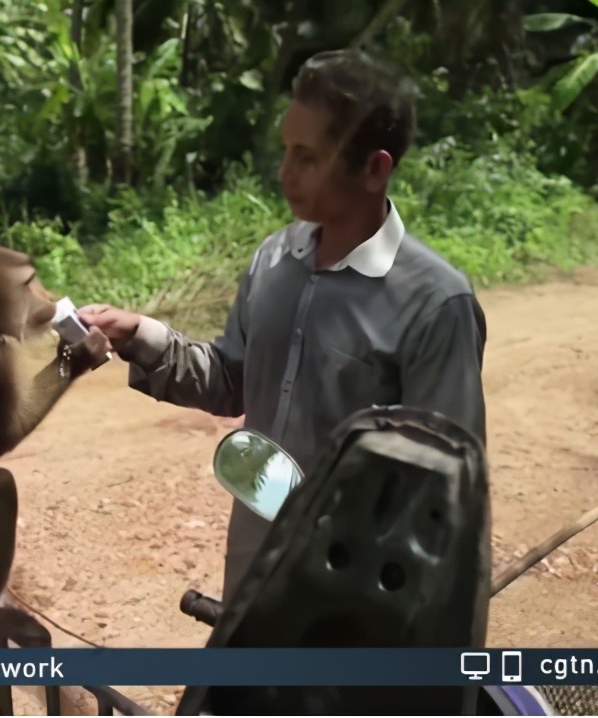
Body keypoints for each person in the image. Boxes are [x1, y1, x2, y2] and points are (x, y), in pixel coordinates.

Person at [78, 49, 488, 605]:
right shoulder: (273, 261)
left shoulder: (435, 305)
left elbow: (443, 502)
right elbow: (232, 380)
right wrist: (140, 336)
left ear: (375, 169)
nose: (283, 173)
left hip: (352, 610)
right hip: (254, 574)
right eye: (285, 151)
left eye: (307, 157)